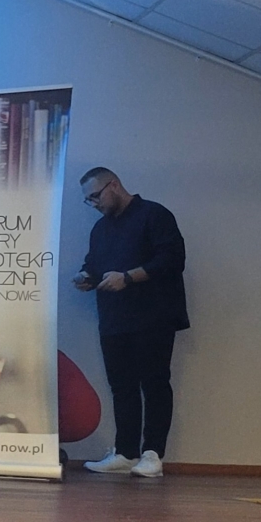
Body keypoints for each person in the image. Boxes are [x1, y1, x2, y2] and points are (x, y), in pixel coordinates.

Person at [73, 166, 187, 479]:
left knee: (154, 384)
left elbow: (172, 260)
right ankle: (125, 453)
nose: (93, 204)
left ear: (113, 185)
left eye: (95, 196)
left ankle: (153, 455)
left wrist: (128, 277)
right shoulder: (101, 228)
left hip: (154, 315)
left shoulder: (154, 214)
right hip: (114, 318)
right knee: (121, 387)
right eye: (88, 200)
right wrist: (85, 277)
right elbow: (93, 265)